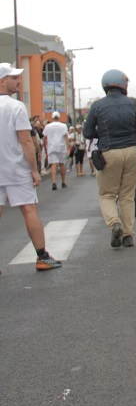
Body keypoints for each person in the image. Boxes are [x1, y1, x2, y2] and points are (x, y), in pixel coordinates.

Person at [83, 70, 136, 248]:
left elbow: (87, 132)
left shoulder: (97, 106)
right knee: (127, 195)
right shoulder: (133, 103)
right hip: (131, 151)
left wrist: (102, 133)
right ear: (123, 85)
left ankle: (114, 223)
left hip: (109, 152)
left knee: (107, 194)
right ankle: (127, 234)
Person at [0, 63, 62, 271]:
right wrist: (34, 170)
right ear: (2, 81)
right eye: (14, 78)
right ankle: (42, 256)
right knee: (28, 209)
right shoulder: (16, 106)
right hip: (16, 167)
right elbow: (26, 141)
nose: (18, 81)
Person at [42, 111, 69, 190]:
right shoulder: (63, 126)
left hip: (51, 147)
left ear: (52, 117)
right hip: (61, 146)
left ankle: (54, 182)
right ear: (59, 117)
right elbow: (66, 137)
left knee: (53, 164)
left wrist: (44, 146)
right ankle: (63, 181)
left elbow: (44, 137)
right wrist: (68, 148)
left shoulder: (48, 126)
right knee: (61, 164)